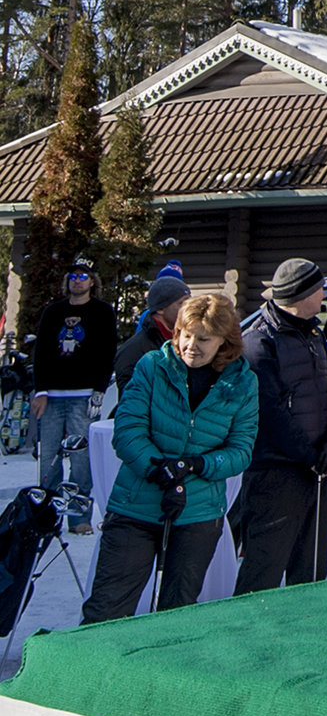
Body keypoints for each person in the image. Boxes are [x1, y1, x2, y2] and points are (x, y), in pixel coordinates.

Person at [81, 294, 257, 623]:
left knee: (177, 611)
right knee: (107, 607)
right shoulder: (152, 367)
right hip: (136, 504)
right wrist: (157, 466)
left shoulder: (243, 383)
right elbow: (128, 429)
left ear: (224, 341)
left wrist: (197, 465)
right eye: (186, 335)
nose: (191, 345)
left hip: (199, 510)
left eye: (203, 339)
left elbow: (241, 449)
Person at [233, 258, 327, 594]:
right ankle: (251, 635)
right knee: (264, 569)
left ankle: (305, 638)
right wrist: (311, 455)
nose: (324, 296)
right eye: (320, 289)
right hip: (276, 475)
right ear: (302, 294)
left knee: (312, 569)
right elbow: (270, 415)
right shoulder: (259, 343)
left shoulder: (313, 333)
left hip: (317, 472)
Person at [31, 256, 117, 534]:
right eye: (73, 276)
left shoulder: (103, 312)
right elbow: (41, 353)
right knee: (49, 460)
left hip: (84, 395)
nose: (77, 280)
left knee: (81, 460)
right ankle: (47, 517)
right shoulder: (53, 312)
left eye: (83, 276)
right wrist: (40, 390)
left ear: (93, 281)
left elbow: (107, 354)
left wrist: (99, 392)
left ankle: (79, 517)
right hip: (52, 395)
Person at [113, 275, 192, 393]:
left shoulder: (190, 341)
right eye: (181, 303)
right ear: (160, 309)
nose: (189, 309)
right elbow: (131, 399)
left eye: (190, 302)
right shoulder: (134, 350)